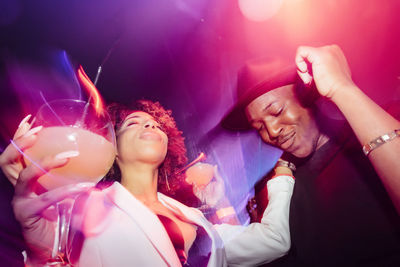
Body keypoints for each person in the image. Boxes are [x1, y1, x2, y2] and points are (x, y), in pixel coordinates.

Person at [2, 100, 295, 266]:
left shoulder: (194, 221)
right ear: (111, 147)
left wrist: (282, 173)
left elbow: (273, 241)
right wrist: (43, 248)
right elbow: (53, 251)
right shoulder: (83, 206)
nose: (150, 125)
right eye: (133, 123)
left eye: (155, 124)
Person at [221, 45, 400, 266]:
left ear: (306, 97)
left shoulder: (383, 128)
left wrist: (342, 88)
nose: (272, 132)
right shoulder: (274, 188)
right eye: (259, 127)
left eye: (276, 111)